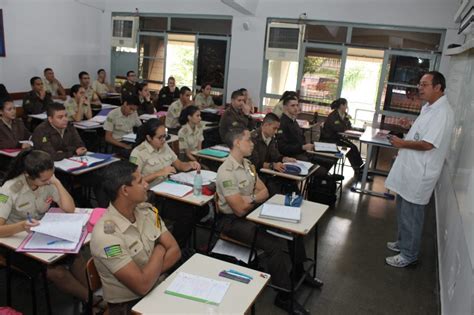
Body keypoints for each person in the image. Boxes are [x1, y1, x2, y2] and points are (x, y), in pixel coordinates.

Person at [216, 127, 318, 315]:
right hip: (232, 221)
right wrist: (253, 198)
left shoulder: (248, 165)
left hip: (252, 211)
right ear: (237, 143)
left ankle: (299, 271)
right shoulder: (226, 171)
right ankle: (284, 296)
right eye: (249, 140)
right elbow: (238, 209)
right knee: (272, 245)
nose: (253, 143)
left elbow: (264, 190)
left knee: (291, 228)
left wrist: (251, 199)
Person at [91, 161, 181, 314]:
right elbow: (141, 286)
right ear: (125, 190)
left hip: (159, 287)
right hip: (129, 306)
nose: (146, 184)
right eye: (140, 181)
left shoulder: (149, 211)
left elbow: (175, 251)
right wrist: (159, 249)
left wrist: (148, 275)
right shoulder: (106, 236)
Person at [0, 149, 90, 302]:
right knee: (57, 272)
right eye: (43, 180)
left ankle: (94, 293)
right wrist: (22, 226)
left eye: (51, 176)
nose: (47, 182)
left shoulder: (49, 180)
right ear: (28, 175)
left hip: (42, 234)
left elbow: (69, 209)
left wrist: (57, 182)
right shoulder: (10, 189)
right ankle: (91, 301)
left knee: (76, 257)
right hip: (15, 242)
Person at [385, 71, 454, 268]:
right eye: (420, 84)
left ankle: (409, 254)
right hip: (410, 169)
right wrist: (410, 127)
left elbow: (427, 144)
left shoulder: (443, 112)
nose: (419, 88)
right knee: (402, 210)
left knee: (412, 214)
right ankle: (402, 242)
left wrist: (401, 143)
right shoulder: (429, 108)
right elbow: (421, 135)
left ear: (438, 87)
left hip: (420, 173)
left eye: (424, 85)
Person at [130, 119, 205, 248]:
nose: (164, 140)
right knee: (187, 213)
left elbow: (179, 165)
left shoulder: (164, 147)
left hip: (170, 190)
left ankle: (179, 240)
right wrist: (159, 173)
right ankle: (176, 246)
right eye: (160, 138)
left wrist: (189, 164)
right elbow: (133, 182)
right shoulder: (138, 153)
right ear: (148, 137)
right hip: (152, 196)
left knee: (202, 208)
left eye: (165, 136)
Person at [276, 96, 336, 173]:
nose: (296, 108)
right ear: (285, 107)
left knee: (330, 161)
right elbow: (282, 148)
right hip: (293, 156)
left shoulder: (293, 121)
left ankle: (317, 181)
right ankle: (319, 180)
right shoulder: (282, 123)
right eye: (292, 105)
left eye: (297, 105)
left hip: (303, 153)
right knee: (322, 171)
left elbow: (300, 139)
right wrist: (302, 147)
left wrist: (307, 146)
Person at [249, 113, 298, 196]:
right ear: (266, 125)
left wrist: (284, 159)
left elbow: (274, 155)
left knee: (291, 183)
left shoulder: (271, 138)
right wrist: (272, 165)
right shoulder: (253, 138)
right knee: (275, 190)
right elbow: (254, 163)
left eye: (277, 129)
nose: (276, 132)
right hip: (255, 174)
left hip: (268, 172)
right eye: (274, 128)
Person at [320, 98, 365, 179]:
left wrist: (346, 122)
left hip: (338, 139)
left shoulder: (344, 115)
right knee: (350, 148)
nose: (347, 107)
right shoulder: (333, 116)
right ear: (341, 106)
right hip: (330, 142)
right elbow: (340, 128)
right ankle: (358, 169)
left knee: (353, 147)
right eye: (346, 105)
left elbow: (349, 126)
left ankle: (360, 168)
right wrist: (345, 123)